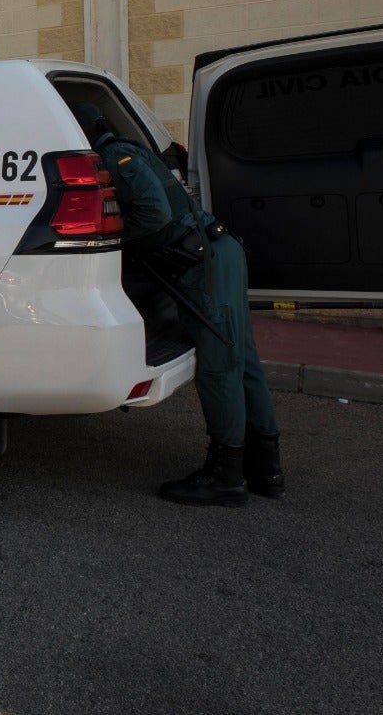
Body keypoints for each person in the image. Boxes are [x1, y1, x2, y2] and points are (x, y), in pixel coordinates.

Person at [71, 104, 284, 506]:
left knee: (220, 367)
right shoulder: (128, 147)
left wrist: (115, 241)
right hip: (218, 250)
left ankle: (226, 476)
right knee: (243, 361)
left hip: (203, 263)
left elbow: (155, 213)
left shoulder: (115, 158)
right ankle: (266, 469)